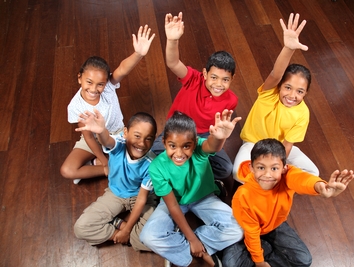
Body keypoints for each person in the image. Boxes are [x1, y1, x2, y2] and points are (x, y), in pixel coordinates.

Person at [222, 138, 354, 267]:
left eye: (274, 168)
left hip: (274, 225)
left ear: (284, 169)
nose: (267, 175)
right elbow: (251, 232)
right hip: (245, 231)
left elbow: (302, 179)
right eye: (261, 168)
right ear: (251, 168)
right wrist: (259, 262)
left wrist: (321, 187)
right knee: (230, 263)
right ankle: (263, 252)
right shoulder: (243, 196)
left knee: (304, 260)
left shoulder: (288, 175)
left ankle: (264, 250)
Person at [140, 110, 244, 267]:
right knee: (148, 236)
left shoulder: (199, 149)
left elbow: (212, 146)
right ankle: (201, 251)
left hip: (204, 197)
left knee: (238, 229)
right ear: (164, 143)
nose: (179, 153)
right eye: (172, 146)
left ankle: (184, 249)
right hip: (175, 201)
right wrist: (192, 239)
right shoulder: (156, 167)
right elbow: (173, 205)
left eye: (186, 146)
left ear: (195, 143)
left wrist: (220, 137)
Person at [60, 25, 155, 184]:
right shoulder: (75, 106)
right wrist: (104, 163)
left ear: (106, 83)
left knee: (144, 159)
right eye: (89, 82)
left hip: (117, 134)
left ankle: (93, 167)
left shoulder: (109, 87)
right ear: (79, 78)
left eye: (100, 84)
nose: (94, 89)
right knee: (67, 170)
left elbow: (123, 69)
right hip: (95, 140)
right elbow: (89, 137)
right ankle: (105, 167)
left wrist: (138, 54)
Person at [151, 12, 238, 180]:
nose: (218, 84)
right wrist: (172, 39)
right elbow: (173, 63)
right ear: (204, 73)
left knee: (226, 169)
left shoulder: (232, 100)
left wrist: (216, 137)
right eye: (214, 77)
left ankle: (186, 166)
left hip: (204, 137)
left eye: (225, 80)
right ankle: (189, 167)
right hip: (178, 129)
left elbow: (218, 134)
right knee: (153, 155)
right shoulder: (193, 79)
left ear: (232, 79)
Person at [233, 13, 319, 183]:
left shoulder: (303, 113)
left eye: (300, 91)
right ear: (279, 86)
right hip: (254, 143)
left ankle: (270, 180)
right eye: (288, 87)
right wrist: (289, 48)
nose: (292, 95)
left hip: (278, 149)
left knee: (313, 172)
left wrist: (277, 166)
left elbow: (287, 145)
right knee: (237, 172)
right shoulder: (268, 93)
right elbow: (276, 73)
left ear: (306, 93)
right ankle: (267, 181)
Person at [73, 109, 158, 251]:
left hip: (141, 197)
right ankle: (120, 227)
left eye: (148, 138)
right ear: (125, 133)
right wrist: (101, 131)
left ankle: (122, 228)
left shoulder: (152, 164)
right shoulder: (119, 142)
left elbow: (141, 200)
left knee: (145, 241)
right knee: (81, 228)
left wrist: (126, 230)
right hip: (115, 194)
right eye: (137, 136)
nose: (142, 143)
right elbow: (107, 140)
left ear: (153, 139)